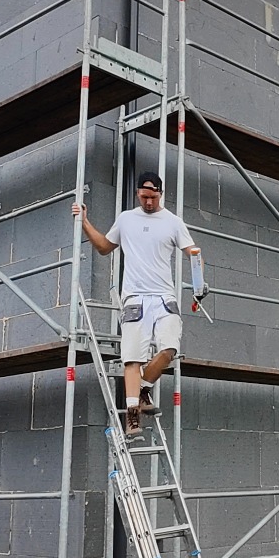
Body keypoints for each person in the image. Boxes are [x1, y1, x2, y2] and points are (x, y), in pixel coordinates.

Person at [75, 171, 202, 434]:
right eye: (144, 197)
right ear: (137, 194)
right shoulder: (126, 219)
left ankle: (144, 387)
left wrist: (199, 283)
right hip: (134, 296)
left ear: (161, 194)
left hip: (164, 297)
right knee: (132, 357)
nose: (148, 203)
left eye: (153, 197)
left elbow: (193, 252)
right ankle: (133, 416)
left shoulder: (173, 222)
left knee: (169, 349)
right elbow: (103, 247)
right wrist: (84, 222)